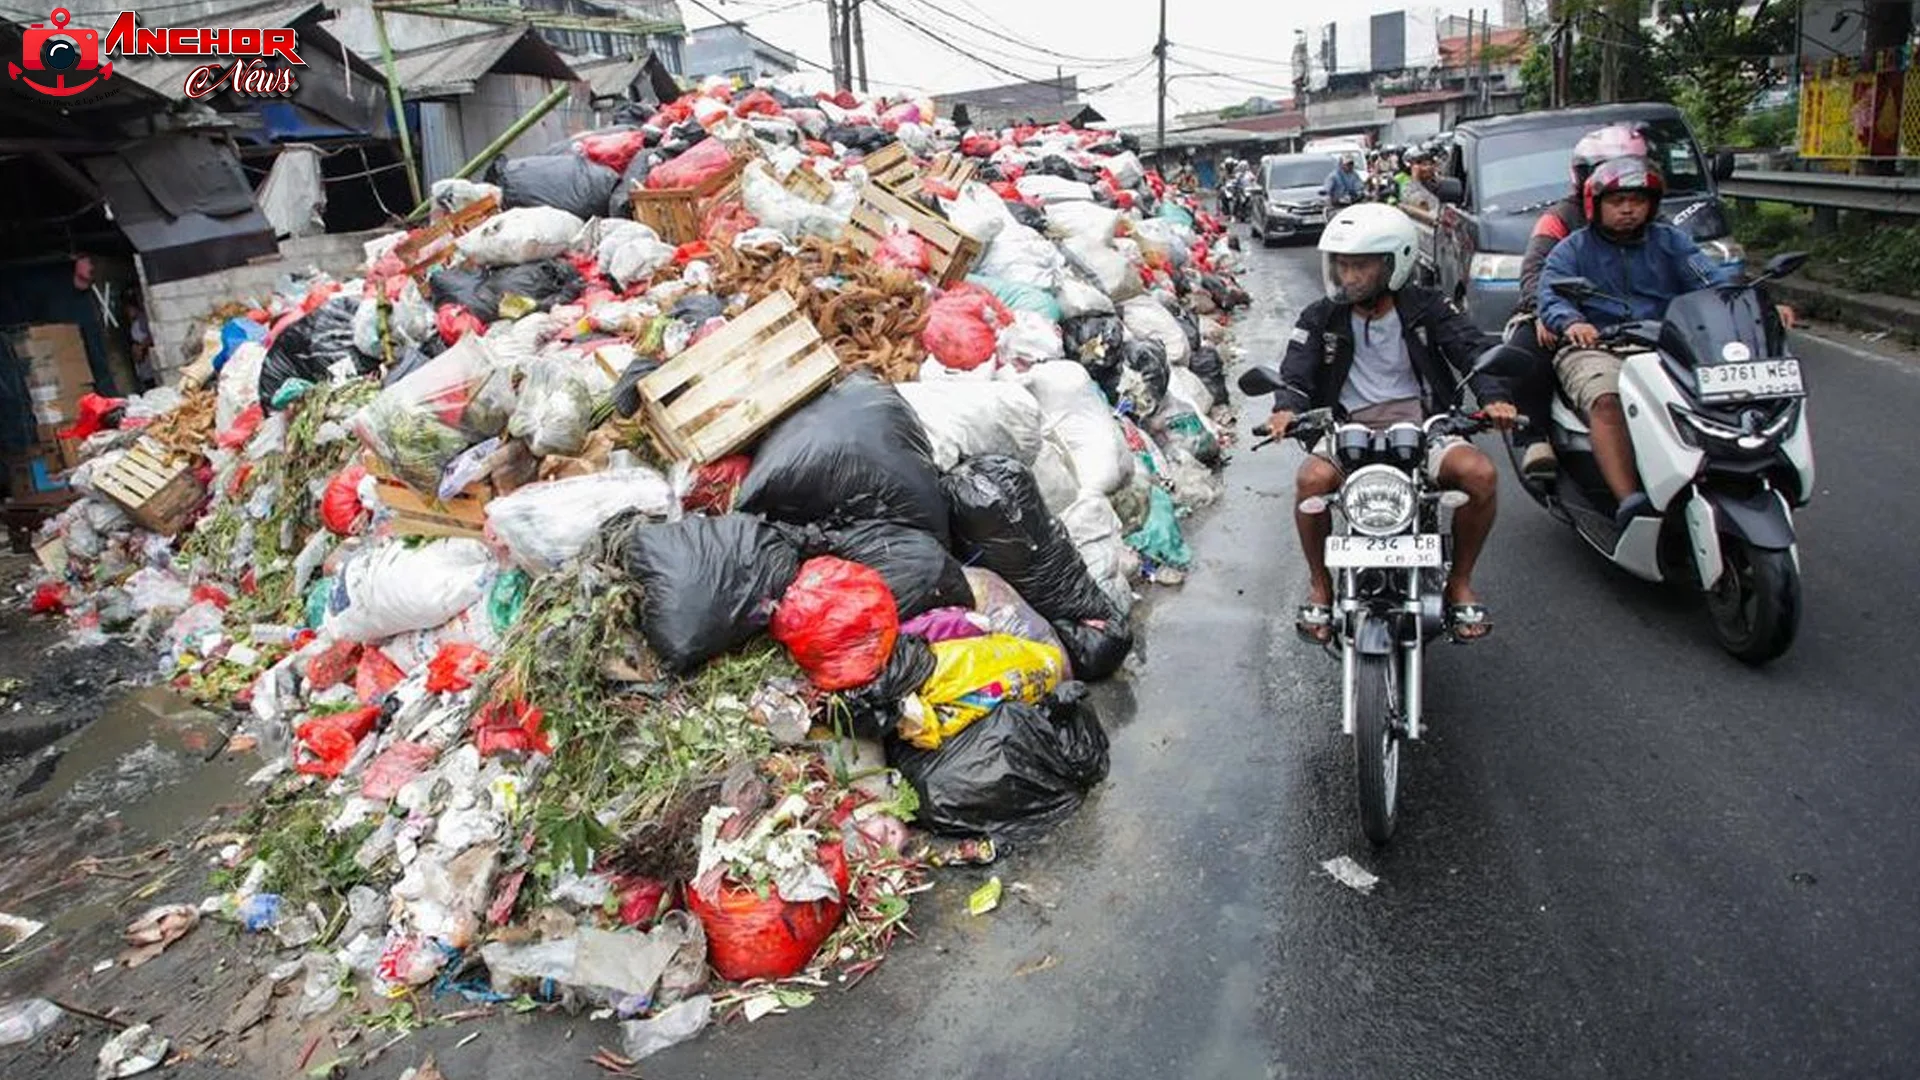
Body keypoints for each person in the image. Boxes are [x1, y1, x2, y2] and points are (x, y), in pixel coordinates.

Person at [1267, 203, 1519, 644]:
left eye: (1360, 265)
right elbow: (1296, 371)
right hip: (1345, 428)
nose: (1347, 276)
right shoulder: (1320, 317)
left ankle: (1459, 582)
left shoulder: (1428, 308)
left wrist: (1495, 399)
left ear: (1394, 263)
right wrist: (1286, 408)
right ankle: (1321, 586)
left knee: (1479, 474)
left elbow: (1472, 348)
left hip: (1426, 424)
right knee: (1311, 481)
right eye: (1342, 265)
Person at [1537, 157, 1768, 526]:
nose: (1628, 209)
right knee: (1606, 401)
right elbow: (1550, 295)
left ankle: (1722, 469)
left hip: (1667, 341)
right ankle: (1629, 499)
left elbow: (1711, 281)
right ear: (1595, 205)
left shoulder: (1671, 241)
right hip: (1599, 347)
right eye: (1617, 201)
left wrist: (1755, 301)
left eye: (1637, 200)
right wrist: (1572, 321)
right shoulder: (1573, 249)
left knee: (1714, 393)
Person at [1509, 123, 1649, 480]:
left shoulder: (1658, 227)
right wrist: (1548, 312)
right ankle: (1534, 434)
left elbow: (1700, 273)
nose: (1627, 202)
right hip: (1570, 316)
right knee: (1526, 348)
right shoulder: (1560, 220)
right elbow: (1534, 271)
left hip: (1642, 325)